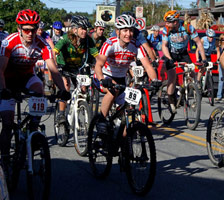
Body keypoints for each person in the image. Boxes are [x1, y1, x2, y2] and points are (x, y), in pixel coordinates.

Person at [0, 9, 70, 170]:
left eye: (33, 29)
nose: (30, 33)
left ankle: (33, 131)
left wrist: (62, 90)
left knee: (39, 88)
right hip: (7, 80)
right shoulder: (8, 42)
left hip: (26, 77)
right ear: (19, 29)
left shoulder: (42, 44)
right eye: (26, 29)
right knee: (8, 122)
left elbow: (53, 69)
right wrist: (3, 90)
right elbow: (0, 70)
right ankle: (4, 159)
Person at [94, 14, 159, 132]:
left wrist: (155, 80)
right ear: (117, 32)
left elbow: (148, 66)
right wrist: (102, 79)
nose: (128, 34)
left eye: (130, 30)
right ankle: (101, 120)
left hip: (121, 79)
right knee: (112, 92)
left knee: (127, 111)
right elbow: (98, 65)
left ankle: (124, 141)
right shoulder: (110, 43)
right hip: (104, 75)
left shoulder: (136, 46)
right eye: (125, 30)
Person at [53, 15, 99, 122]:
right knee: (66, 86)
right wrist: (55, 66)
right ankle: (61, 114)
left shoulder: (88, 40)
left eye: (86, 29)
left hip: (77, 68)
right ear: (74, 29)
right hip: (63, 66)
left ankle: (81, 107)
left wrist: (103, 67)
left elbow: (98, 56)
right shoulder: (65, 38)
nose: (84, 31)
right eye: (82, 28)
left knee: (83, 89)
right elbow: (54, 52)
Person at [162, 10, 208, 113]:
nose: (166, 24)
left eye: (168, 22)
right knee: (172, 77)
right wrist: (169, 59)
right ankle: (170, 100)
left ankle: (185, 91)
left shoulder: (188, 28)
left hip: (183, 53)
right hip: (171, 53)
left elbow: (199, 44)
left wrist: (204, 59)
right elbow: (164, 46)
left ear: (175, 22)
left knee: (192, 74)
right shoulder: (166, 29)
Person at [215, 34, 224, 101]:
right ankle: (219, 95)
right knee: (221, 79)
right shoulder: (219, 45)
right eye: (222, 39)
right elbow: (218, 52)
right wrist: (218, 61)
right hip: (221, 63)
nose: (223, 40)